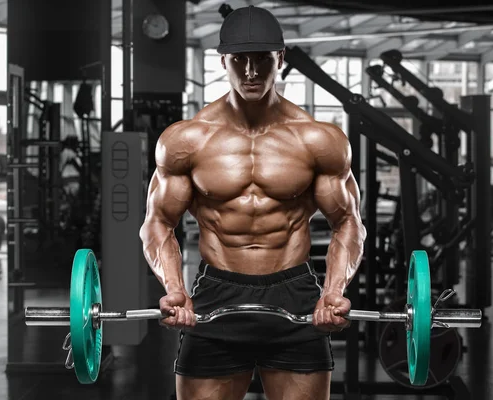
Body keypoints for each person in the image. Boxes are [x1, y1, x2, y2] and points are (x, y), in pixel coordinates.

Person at [139, 6, 366, 400]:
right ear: (222, 60)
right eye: (239, 60)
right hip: (217, 292)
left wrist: (333, 290)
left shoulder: (318, 140)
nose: (250, 72)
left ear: (280, 58)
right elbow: (157, 223)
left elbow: (348, 222)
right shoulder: (186, 140)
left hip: (293, 291)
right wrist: (174, 288)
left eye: (262, 59)